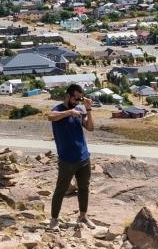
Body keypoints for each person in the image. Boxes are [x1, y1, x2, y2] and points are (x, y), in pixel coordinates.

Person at [47, 83, 95, 231]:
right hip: (67, 159)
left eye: (81, 99)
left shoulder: (80, 109)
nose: (78, 102)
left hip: (83, 157)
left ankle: (83, 216)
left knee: (84, 188)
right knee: (60, 189)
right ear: (68, 96)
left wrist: (88, 109)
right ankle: (54, 219)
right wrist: (69, 112)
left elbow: (90, 128)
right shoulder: (58, 109)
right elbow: (50, 117)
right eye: (76, 98)